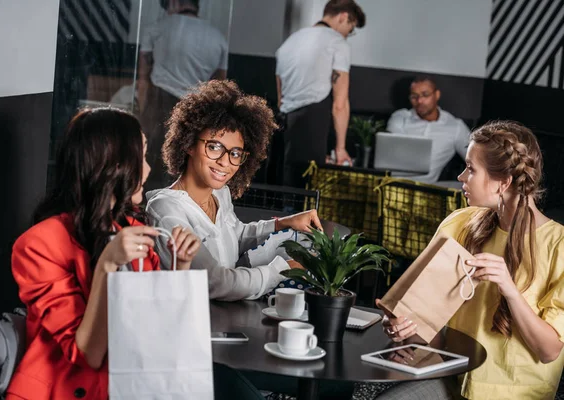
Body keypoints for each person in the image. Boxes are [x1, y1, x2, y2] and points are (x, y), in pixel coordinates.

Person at [5, 108, 201, 399]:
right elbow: (87, 355)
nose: (147, 170)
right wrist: (107, 266)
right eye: (142, 157)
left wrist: (180, 266)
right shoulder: (38, 245)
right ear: (115, 165)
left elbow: (158, 330)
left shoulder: (132, 229)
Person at [376, 121, 564, 399]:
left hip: (515, 393)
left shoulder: (558, 245)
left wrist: (509, 290)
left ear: (504, 182)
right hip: (452, 378)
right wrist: (404, 328)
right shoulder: (459, 223)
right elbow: (433, 334)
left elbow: (549, 351)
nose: (461, 177)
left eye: (471, 169)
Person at [146, 80, 324, 301]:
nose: (224, 162)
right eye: (214, 147)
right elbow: (216, 282)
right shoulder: (166, 210)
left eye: (235, 153)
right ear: (188, 143)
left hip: (230, 318)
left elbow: (235, 236)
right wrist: (282, 269)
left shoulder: (220, 193)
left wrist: (282, 223)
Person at [138, 0, 229, 192]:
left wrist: (141, 109)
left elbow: (143, 77)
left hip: (159, 101)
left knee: (152, 159)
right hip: (196, 107)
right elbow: (219, 85)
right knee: (181, 163)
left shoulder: (158, 27)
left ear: (173, 3)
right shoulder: (218, 37)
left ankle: (145, 208)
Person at [275, 0, 365, 188]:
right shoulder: (337, 42)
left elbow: (280, 95)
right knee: (306, 194)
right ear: (343, 17)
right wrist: (340, 149)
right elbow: (340, 104)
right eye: (351, 27)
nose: (349, 34)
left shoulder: (291, 41)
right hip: (312, 119)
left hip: (283, 123)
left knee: (284, 188)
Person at [386, 76, 470, 184]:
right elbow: (390, 152)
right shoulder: (400, 117)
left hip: (428, 188)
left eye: (425, 95)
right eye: (414, 96)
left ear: (437, 95)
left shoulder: (455, 126)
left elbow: (476, 160)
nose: (419, 101)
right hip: (393, 183)